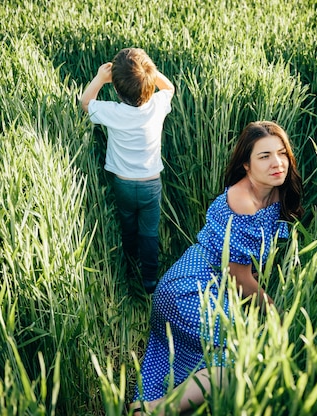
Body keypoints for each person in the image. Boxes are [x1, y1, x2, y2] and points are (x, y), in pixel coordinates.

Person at [129, 121, 304, 414]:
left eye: (282, 153)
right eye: (264, 156)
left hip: (210, 284)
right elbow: (240, 280)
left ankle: (158, 400)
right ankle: (155, 409)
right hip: (191, 288)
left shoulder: (274, 190)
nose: (277, 163)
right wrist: (275, 313)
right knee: (241, 361)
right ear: (246, 165)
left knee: (235, 353)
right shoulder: (243, 201)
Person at [80, 48, 175, 294]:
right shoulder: (157, 105)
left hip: (122, 183)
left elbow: (85, 103)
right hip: (150, 185)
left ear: (117, 89)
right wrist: (150, 74)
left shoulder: (112, 111)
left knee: (127, 223)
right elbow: (170, 88)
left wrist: (101, 78)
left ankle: (130, 260)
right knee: (150, 233)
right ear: (151, 84)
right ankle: (149, 280)